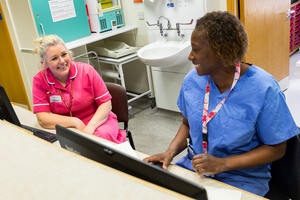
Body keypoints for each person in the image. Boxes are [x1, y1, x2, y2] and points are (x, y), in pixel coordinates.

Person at [143, 11, 299, 197]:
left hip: (241, 178)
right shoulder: (192, 81)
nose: (190, 56)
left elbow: (277, 148)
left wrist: (222, 164)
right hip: (195, 170)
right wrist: (170, 152)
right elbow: (187, 124)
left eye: (196, 49)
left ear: (221, 51)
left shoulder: (263, 88)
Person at [32, 35, 126, 144]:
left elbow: (105, 103)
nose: (62, 61)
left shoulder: (87, 71)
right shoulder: (39, 80)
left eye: (64, 54)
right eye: (54, 58)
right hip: (67, 126)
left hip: (98, 120)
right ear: (44, 63)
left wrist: (90, 127)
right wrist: (74, 121)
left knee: (96, 142)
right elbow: (42, 118)